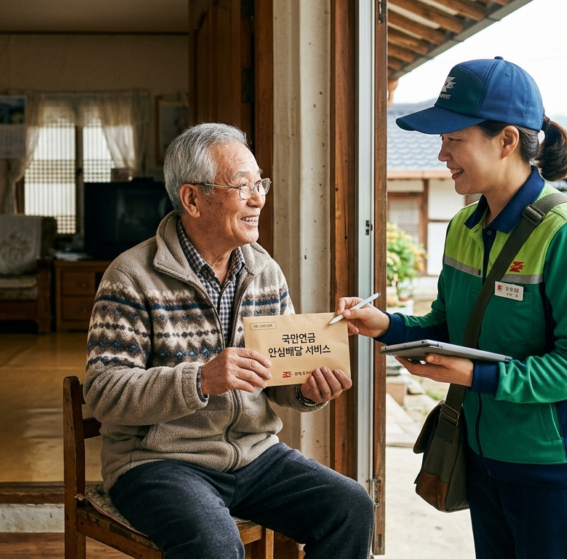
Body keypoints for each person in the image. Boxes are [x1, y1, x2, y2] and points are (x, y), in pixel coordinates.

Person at [337, 58, 567, 558]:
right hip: (484, 458)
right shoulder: (463, 226)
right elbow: (446, 324)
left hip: (556, 468)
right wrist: (384, 326)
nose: (442, 153)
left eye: (453, 138)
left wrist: (477, 377)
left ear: (507, 140)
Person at [85, 123, 374, 559]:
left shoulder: (265, 271)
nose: (258, 198)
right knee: (215, 545)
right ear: (192, 198)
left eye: (260, 183)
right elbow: (104, 394)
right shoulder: (131, 277)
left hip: (255, 455)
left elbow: (279, 380)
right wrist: (200, 380)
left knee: (351, 507)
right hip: (158, 463)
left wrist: (307, 390)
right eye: (243, 186)